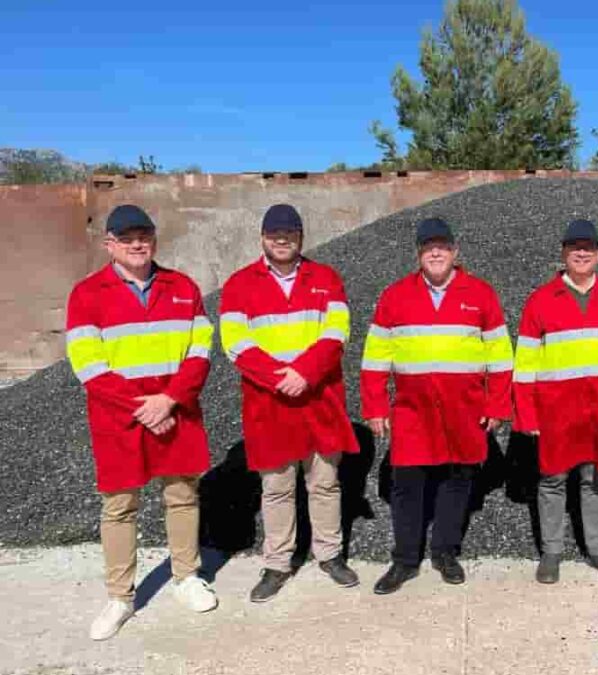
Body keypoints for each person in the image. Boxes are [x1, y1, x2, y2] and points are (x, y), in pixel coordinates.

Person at [65, 204, 218, 641]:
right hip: (120, 420)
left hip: (176, 413)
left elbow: (200, 352)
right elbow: (88, 365)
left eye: (144, 236)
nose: (138, 244)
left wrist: (169, 399)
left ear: (154, 239)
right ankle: (120, 597)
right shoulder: (87, 294)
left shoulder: (183, 287)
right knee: (119, 507)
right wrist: (143, 406)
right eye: (127, 237)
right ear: (109, 244)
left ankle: (186, 577)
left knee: (182, 495)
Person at [360, 218, 513, 594]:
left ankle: (445, 552)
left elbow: (501, 355)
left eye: (442, 245)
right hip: (413, 411)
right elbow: (375, 357)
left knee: (456, 482)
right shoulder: (395, 296)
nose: (436, 252)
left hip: (465, 409)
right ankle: (405, 561)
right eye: (429, 246)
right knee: (407, 484)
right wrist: (376, 406)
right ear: (418, 253)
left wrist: (497, 404)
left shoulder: (480, 293)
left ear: (455, 251)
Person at [219, 204, 361, 602]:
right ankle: (278, 563)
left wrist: (305, 374)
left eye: (290, 233)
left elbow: (337, 333)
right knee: (276, 488)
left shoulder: (326, 279)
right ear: (262, 237)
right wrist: (281, 378)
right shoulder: (239, 284)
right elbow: (235, 343)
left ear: (301, 237)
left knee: (325, 483)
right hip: (270, 403)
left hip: (319, 400)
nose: (282, 240)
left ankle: (329, 555)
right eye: (274, 234)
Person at [512, 219, 598, 584]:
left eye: (588, 248)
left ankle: (597, 549)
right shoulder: (540, 300)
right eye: (574, 248)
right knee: (552, 480)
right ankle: (552, 552)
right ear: (563, 253)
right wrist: (527, 413)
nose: (581, 253)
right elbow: (525, 364)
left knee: (596, 478)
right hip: (556, 410)